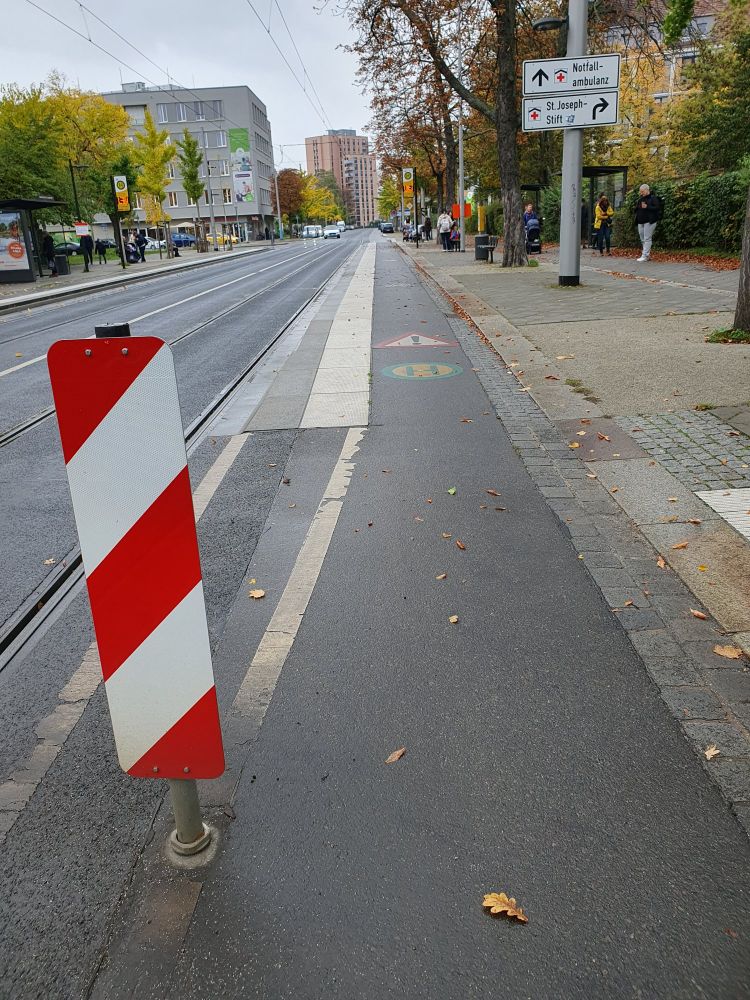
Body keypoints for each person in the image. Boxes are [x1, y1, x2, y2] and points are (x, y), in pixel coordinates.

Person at [634, 184, 660, 262]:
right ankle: (647, 255)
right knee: (642, 239)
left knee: (647, 238)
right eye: (640, 192)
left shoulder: (653, 198)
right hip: (640, 222)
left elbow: (657, 208)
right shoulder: (640, 199)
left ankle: (644, 256)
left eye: (642, 191)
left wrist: (647, 207)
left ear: (646, 190)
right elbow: (637, 209)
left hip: (649, 221)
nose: (641, 193)